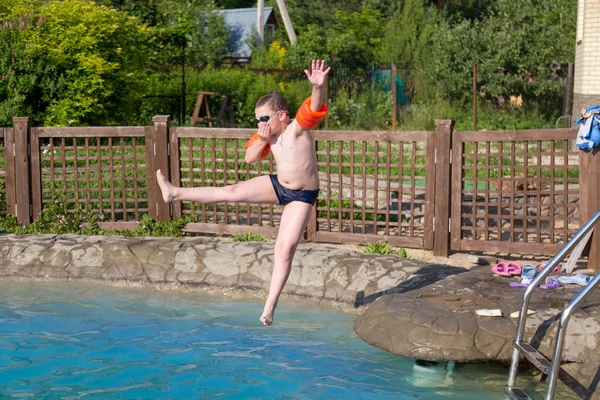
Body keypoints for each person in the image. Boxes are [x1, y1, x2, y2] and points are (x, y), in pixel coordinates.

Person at [156, 59, 331, 326]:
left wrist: (318, 87)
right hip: (279, 185)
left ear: (281, 116)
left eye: (264, 118)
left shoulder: (297, 129)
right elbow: (250, 158)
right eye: (257, 119)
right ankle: (174, 193)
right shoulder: (267, 136)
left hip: (301, 195)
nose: (260, 123)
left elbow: (314, 106)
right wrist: (261, 138)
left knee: (284, 250)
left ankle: (270, 307)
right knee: (232, 190)